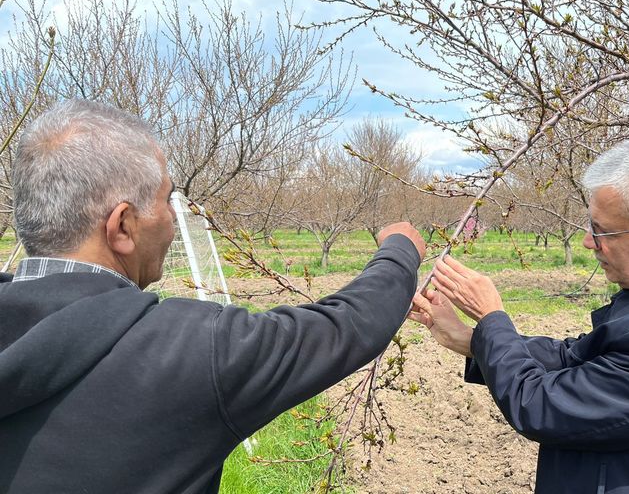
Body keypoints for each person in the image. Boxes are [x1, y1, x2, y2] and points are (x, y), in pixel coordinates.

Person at [0, 99, 425, 493]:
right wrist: (399, 250)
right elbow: (346, 328)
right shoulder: (190, 350)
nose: (171, 218)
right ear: (122, 227)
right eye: (167, 200)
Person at [411, 135, 629, 493]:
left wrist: (492, 318)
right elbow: (576, 359)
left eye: (602, 231)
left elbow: (539, 404)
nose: (587, 242)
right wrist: (471, 341)